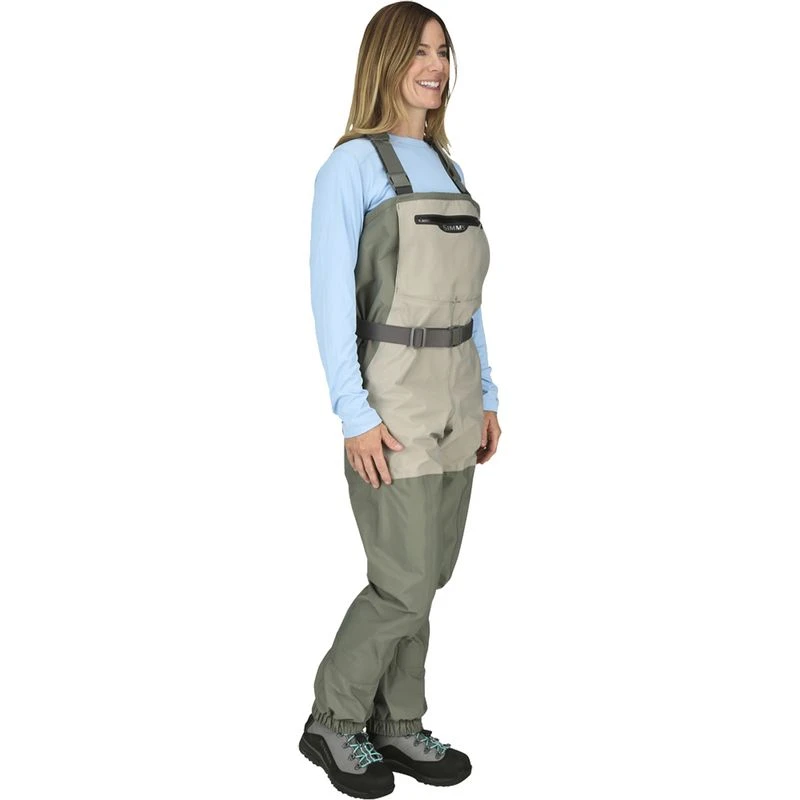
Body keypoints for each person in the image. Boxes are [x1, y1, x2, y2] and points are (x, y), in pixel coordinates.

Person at [299, 3, 502, 797]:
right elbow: (329, 300)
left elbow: (470, 301)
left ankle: (399, 723)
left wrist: (487, 392)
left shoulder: (448, 167)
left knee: (430, 574)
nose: (436, 66)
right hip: (393, 402)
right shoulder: (352, 167)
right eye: (419, 51)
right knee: (403, 580)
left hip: (456, 394)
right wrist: (353, 414)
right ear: (384, 60)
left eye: (444, 51)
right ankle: (334, 719)